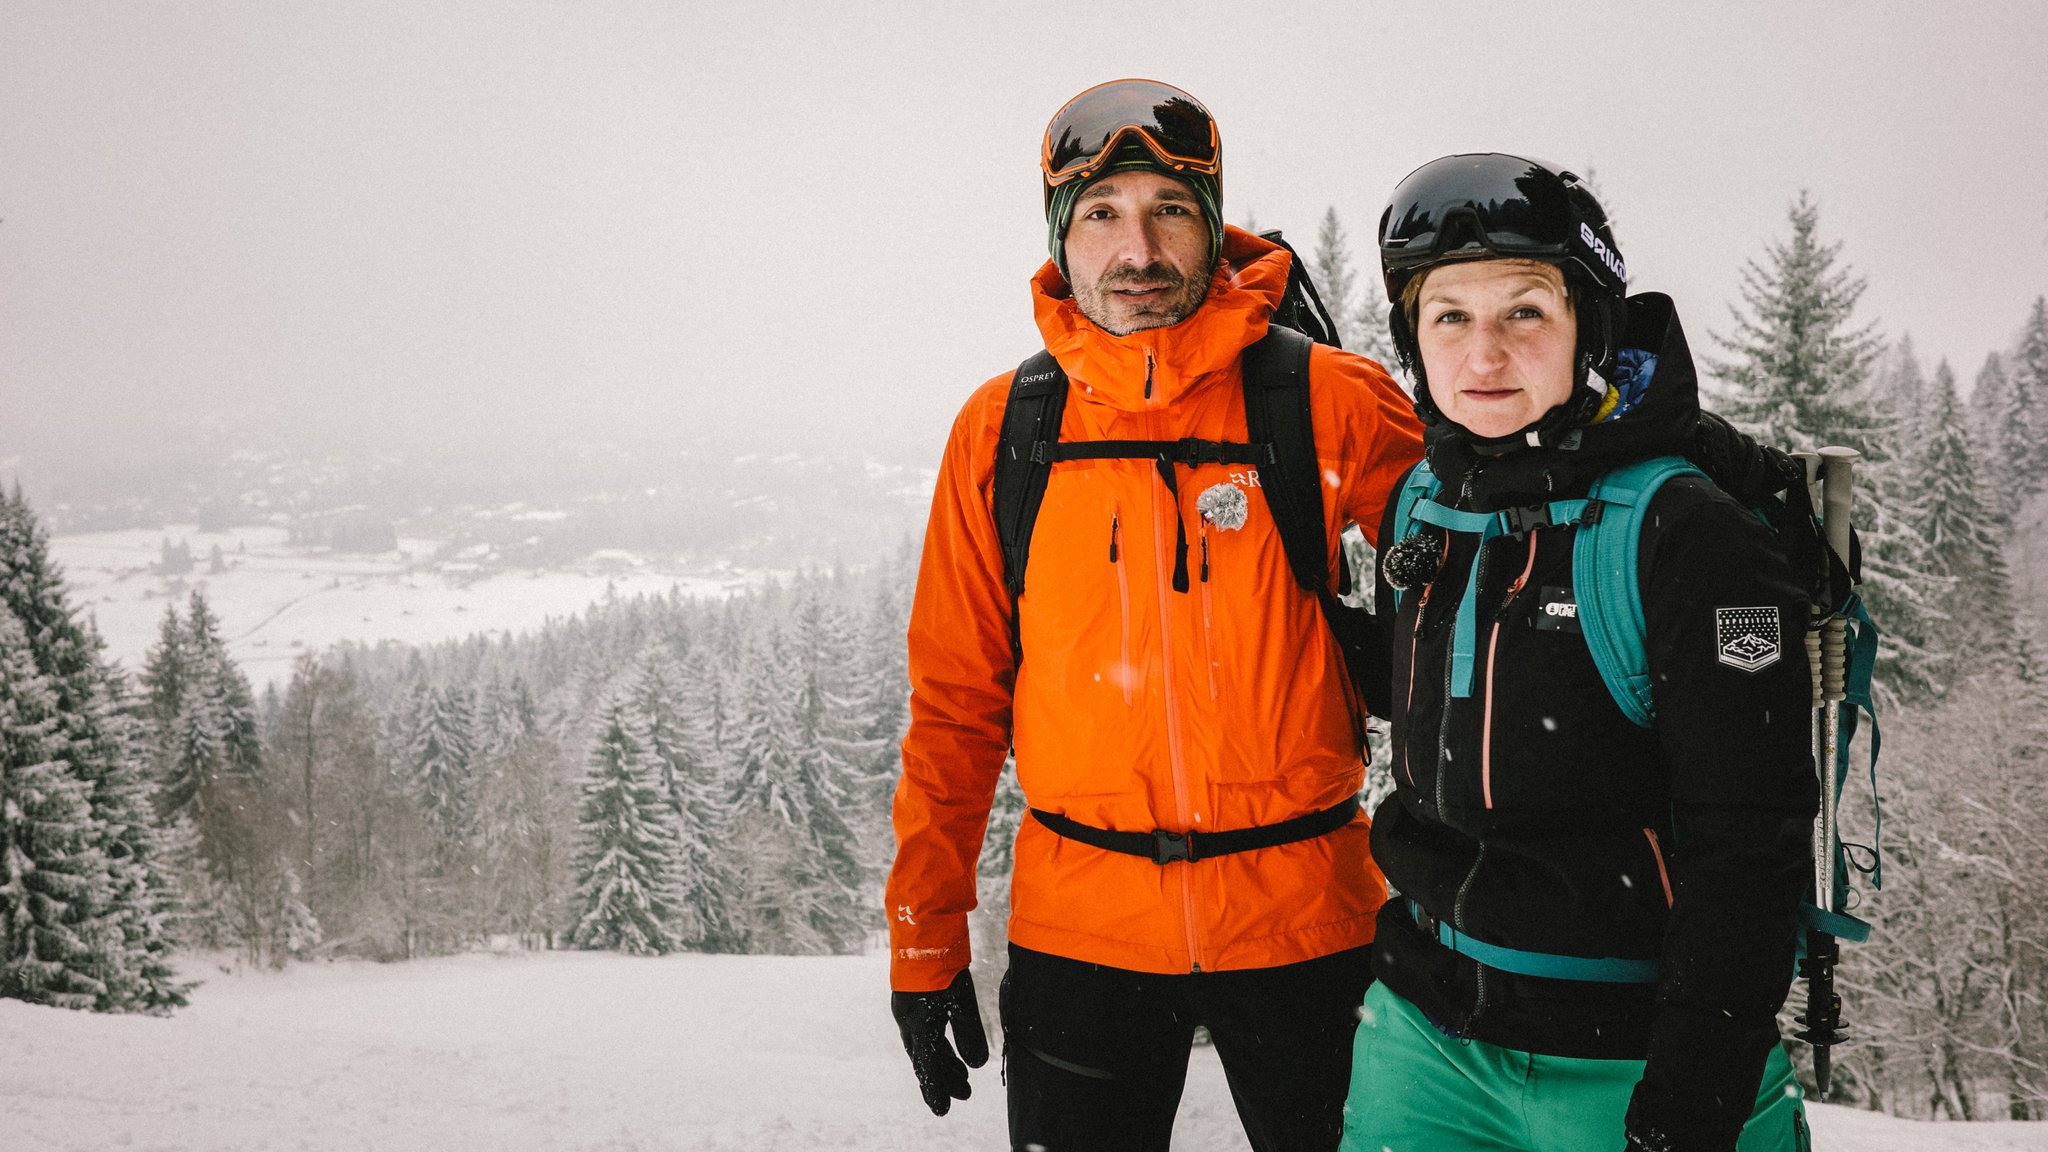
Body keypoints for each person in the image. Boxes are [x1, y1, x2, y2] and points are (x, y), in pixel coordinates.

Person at [885, 79, 1425, 1151]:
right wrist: (922, 940)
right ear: (1060, 237)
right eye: (1101, 214)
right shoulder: (1004, 431)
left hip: (1310, 918)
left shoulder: (1323, 397)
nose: (1138, 248)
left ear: (1212, 225)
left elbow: (1494, 573)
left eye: (1169, 210)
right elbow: (953, 705)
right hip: (1082, 928)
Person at [1339, 153, 1821, 1152]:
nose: (1482, 355)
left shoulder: (1684, 534)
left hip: (1632, 1057)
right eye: (1447, 318)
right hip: (1426, 1037)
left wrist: (1694, 1090)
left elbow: (1750, 840)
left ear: (1586, 330)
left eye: (1523, 313)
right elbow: (1446, 699)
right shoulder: (1425, 500)